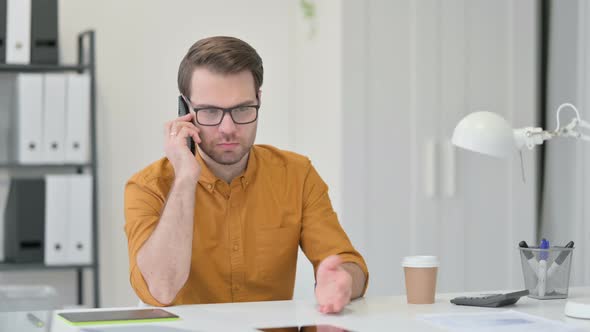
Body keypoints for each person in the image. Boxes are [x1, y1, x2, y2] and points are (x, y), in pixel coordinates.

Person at [124, 36, 368, 314]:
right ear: (185, 111)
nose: (228, 128)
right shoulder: (147, 187)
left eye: (242, 108)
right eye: (210, 111)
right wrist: (185, 179)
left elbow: (348, 264)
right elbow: (161, 290)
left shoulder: (297, 175)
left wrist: (344, 281)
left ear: (259, 100)